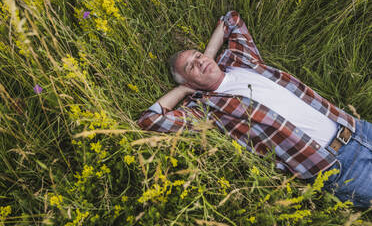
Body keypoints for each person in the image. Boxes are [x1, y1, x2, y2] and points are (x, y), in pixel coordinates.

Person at [138, 11, 372, 207]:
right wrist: (183, 91)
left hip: (355, 128)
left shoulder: (240, 59)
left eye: (197, 56)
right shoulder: (206, 109)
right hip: (336, 167)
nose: (199, 62)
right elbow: (150, 120)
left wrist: (208, 55)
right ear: (187, 81)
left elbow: (231, 19)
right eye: (192, 67)